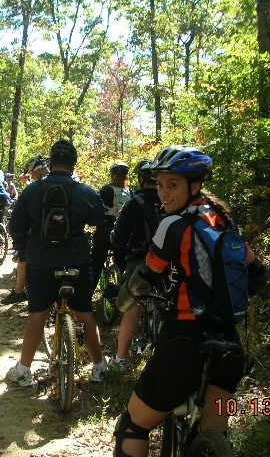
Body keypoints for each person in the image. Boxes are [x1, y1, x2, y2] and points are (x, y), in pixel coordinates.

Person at [112, 145, 266, 457]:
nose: (164, 194)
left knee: (132, 425)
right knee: (213, 433)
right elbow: (257, 274)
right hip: (230, 348)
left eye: (173, 185)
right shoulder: (225, 223)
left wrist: (124, 300)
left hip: (184, 342)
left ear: (194, 186)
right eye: (160, 185)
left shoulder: (173, 224)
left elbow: (147, 276)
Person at [6, 139, 108, 386]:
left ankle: (23, 370)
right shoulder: (85, 191)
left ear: (50, 163)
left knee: (37, 315)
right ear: (74, 165)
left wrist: (24, 249)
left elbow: (15, 225)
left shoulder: (32, 190)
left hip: (40, 261)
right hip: (77, 260)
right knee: (85, 313)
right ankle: (99, 367)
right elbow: (102, 220)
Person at [110, 160, 162, 370]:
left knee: (132, 307)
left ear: (141, 179)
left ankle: (120, 359)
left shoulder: (135, 201)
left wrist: (115, 242)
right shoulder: (170, 198)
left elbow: (119, 237)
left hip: (141, 261)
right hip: (169, 260)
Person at [3, 155, 50, 305]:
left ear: (38, 169)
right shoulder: (70, 182)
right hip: (69, 236)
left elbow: (18, 219)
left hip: (38, 235)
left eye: (32, 171)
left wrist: (18, 239)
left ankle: (19, 292)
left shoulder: (34, 188)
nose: (31, 175)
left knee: (23, 258)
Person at [89, 162, 132, 292]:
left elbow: (97, 211)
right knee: (122, 265)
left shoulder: (106, 190)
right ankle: (123, 294)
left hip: (105, 231)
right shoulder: (131, 192)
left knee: (95, 264)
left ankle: (87, 296)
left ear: (112, 175)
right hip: (123, 233)